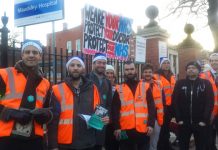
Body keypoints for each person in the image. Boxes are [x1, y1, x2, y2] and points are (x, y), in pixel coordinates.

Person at [0, 40, 52, 150]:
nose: (31, 55)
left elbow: (47, 108)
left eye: (35, 52)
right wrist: (9, 113)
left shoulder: (46, 83)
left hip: (35, 139)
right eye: (27, 52)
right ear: (22, 55)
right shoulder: (4, 75)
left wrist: (45, 116)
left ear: (40, 56)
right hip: (7, 137)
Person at [48, 56, 102, 150]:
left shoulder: (93, 88)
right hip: (65, 143)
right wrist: (54, 146)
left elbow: (97, 113)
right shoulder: (57, 89)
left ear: (83, 69)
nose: (75, 68)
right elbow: (52, 120)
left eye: (78, 65)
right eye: (72, 65)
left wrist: (102, 119)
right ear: (68, 68)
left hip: (88, 142)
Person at [112, 60, 155, 150]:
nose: (129, 72)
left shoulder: (145, 86)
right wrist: (117, 127)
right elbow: (115, 109)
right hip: (125, 130)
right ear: (124, 71)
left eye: (131, 69)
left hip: (143, 129)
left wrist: (151, 124)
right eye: (127, 70)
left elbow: (151, 107)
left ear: (135, 70)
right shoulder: (119, 89)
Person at [173, 61, 214, 150]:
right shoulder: (180, 83)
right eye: (189, 68)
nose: (191, 70)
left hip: (200, 123)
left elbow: (209, 102)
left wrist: (204, 120)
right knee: (183, 146)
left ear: (199, 70)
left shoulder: (206, 83)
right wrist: (178, 119)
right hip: (184, 123)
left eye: (193, 68)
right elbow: (175, 101)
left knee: (201, 146)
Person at [86, 53, 112, 150]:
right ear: (93, 63)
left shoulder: (107, 82)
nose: (101, 65)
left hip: (101, 123)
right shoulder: (85, 79)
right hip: (87, 122)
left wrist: (108, 116)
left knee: (98, 146)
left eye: (104, 63)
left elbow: (109, 103)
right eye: (99, 62)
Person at [154, 58, 176, 150]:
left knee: (167, 127)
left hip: (170, 107)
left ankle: (166, 145)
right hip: (161, 106)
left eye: (168, 63)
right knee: (161, 128)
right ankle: (161, 146)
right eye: (164, 63)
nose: (166, 65)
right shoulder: (156, 76)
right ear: (161, 65)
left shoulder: (172, 76)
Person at [142, 63, 164, 150]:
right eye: (145, 72)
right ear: (142, 73)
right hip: (143, 119)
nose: (147, 74)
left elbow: (163, 102)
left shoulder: (158, 85)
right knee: (143, 143)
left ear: (152, 73)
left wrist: (160, 118)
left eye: (149, 72)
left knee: (153, 144)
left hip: (156, 119)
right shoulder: (139, 85)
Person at [199, 53, 218, 150]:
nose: (215, 62)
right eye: (213, 60)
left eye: (216, 60)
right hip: (210, 111)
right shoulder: (203, 75)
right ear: (210, 62)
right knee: (209, 137)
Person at [105, 64, 119, 150]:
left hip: (115, 121)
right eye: (107, 73)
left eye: (111, 73)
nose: (110, 75)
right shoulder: (100, 87)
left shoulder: (118, 88)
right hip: (104, 121)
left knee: (115, 144)